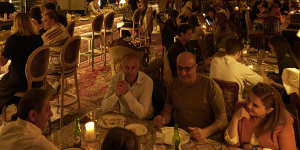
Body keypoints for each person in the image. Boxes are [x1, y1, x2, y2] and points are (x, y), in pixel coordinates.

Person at [154, 52, 228, 142]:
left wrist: (205, 132)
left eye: (187, 69)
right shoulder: (173, 84)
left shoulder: (209, 86)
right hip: (181, 136)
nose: (183, 73)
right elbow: (167, 111)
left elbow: (223, 121)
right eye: (179, 68)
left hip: (206, 137)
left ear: (196, 67)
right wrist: (162, 119)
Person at [225, 83, 297, 150]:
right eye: (249, 99)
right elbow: (231, 144)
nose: (248, 105)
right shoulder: (241, 108)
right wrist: (235, 118)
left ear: (269, 110)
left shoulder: (283, 122)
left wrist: (255, 148)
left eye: (255, 105)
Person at [0, 13, 43, 112]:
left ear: (15, 24)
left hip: (20, 80)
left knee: (2, 86)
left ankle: (19, 108)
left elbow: (2, 63)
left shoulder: (13, 40)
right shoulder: (38, 38)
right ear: (29, 23)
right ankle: (22, 108)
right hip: (38, 78)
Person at [101, 53, 154, 119]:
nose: (130, 71)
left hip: (146, 120)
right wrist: (116, 95)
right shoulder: (116, 79)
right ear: (121, 67)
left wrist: (127, 93)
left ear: (138, 68)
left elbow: (142, 114)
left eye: (133, 68)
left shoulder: (147, 81)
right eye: (126, 67)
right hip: (125, 118)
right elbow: (103, 108)